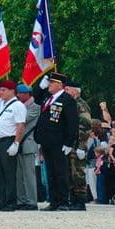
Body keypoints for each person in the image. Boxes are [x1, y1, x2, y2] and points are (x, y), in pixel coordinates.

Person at [33, 73, 78, 211]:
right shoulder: (48, 98)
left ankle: (63, 201)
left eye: (52, 82)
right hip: (46, 141)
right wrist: (41, 86)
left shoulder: (67, 99)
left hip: (59, 142)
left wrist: (69, 142)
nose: (49, 85)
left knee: (61, 173)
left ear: (60, 85)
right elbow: (36, 99)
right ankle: (54, 201)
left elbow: (72, 123)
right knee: (51, 173)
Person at [0, 79, 26, 212]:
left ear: (12, 91)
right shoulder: (1, 104)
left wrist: (16, 143)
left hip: (8, 141)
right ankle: (1, 201)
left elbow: (20, 125)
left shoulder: (17, 105)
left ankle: (10, 202)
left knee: (9, 174)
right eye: (1, 89)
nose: (1, 92)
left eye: (4, 90)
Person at [66, 81, 94, 211]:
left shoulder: (81, 105)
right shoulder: (70, 104)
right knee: (70, 173)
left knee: (78, 173)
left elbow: (86, 126)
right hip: (70, 144)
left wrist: (82, 146)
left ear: (75, 91)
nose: (65, 92)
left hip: (78, 144)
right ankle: (73, 198)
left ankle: (80, 200)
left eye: (68, 90)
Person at [15, 83, 41, 210]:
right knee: (19, 175)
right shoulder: (19, 106)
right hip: (18, 143)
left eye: (21, 93)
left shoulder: (35, 107)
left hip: (28, 142)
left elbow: (23, 120)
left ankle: (32, 201)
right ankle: (21, 200)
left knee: (29, 174)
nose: (18, 95)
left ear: (27, 94)